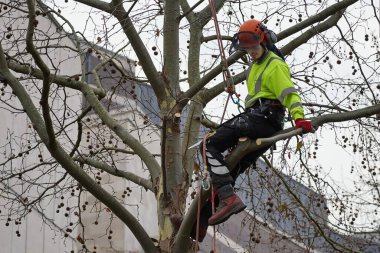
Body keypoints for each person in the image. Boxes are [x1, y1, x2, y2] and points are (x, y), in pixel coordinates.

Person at [196, 19, 313, 235]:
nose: (250, 51)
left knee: (207, 145)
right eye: (247, 48)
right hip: (257, 118)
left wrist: (299, 118)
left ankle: (229, 198)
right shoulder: (254, 67)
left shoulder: (275, 64)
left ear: (264, 41)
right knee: (228, 168)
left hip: (265, 118)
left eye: (253, 46)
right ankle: (200, 223)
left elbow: (289, 93)